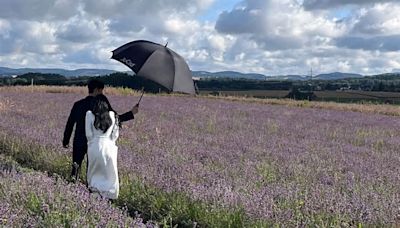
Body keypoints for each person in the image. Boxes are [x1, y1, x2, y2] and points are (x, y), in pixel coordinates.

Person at [62, 79, 139, 182]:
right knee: (92, 169)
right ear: (97, 90)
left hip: (79, 141)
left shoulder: (78, 104)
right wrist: (131, 113)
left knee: (76, 167)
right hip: (94, 143)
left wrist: (66, 140)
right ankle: (91, 188)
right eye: (101, 90)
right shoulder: (101, 106)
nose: (102, 93)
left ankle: (72, 185)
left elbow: (70, 124)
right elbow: (115, 119)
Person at [85, 94, 120, 199]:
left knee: (94, 170)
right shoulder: (113, 115)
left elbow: (89, 135)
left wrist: (93, 141)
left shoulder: (89, 114)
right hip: (109, 146)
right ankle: (109, 194)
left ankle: (95, 193)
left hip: (95, 145)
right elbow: (115, 135)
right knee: (110, 172)